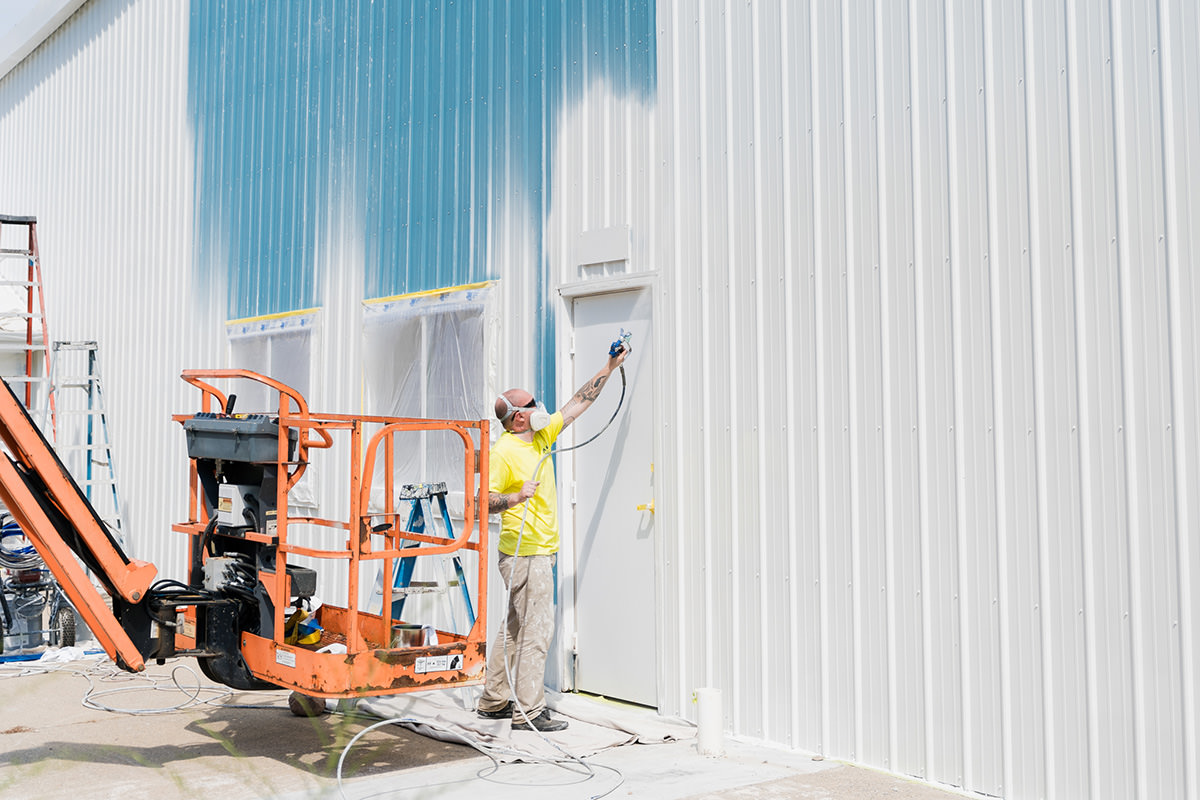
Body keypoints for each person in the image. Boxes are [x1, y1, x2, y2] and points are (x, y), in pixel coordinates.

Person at [476, 342, 630, 732]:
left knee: (514, 626)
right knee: (536, 631)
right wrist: (514, 496)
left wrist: (609, 367)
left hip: (538, 551)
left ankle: (493, 701)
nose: (540, 407)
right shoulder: (504, 452)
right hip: (526, 554)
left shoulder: (541, 438)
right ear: (518, 419)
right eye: (532, 404)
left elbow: (578, 403)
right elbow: (483, 500)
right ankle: (527, 711)